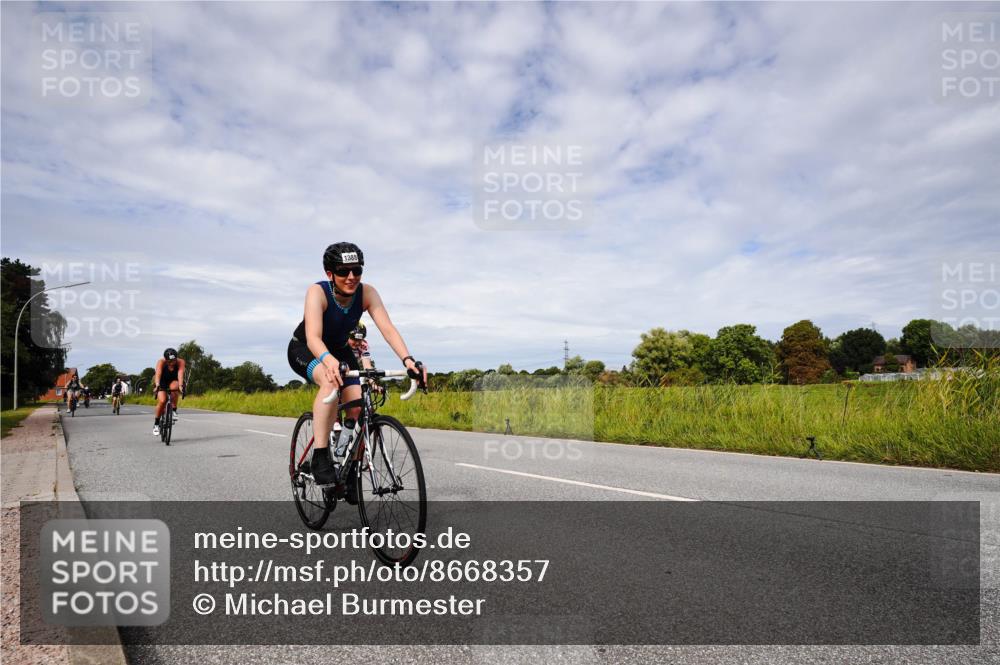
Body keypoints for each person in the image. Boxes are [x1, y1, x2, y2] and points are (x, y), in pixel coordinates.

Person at [287, 242, 426, 492]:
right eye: (343, 271)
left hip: (340, 350)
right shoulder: (317, 292)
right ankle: (320, 455)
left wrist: (408, 361)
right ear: (330, 274)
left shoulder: (367, 293)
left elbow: (388, 329)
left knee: (358, 404)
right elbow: (314, 337)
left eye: (357, 270)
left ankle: (351, 469)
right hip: (306, 348)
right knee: (330, 381)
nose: (351, 277)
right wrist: (329, 363)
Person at [153, 348, 186, 435]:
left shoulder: (180, 362)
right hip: (162, 381)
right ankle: (156, 423)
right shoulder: (161, 362)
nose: (172, 363)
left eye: (174, 360)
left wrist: (180, 386)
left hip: (173, 380)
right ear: (166, 360)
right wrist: (157, 385)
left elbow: (180, 373)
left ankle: (174, 410)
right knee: (163, 401)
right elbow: (158, 374)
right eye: (170, 361)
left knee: (175, 388)